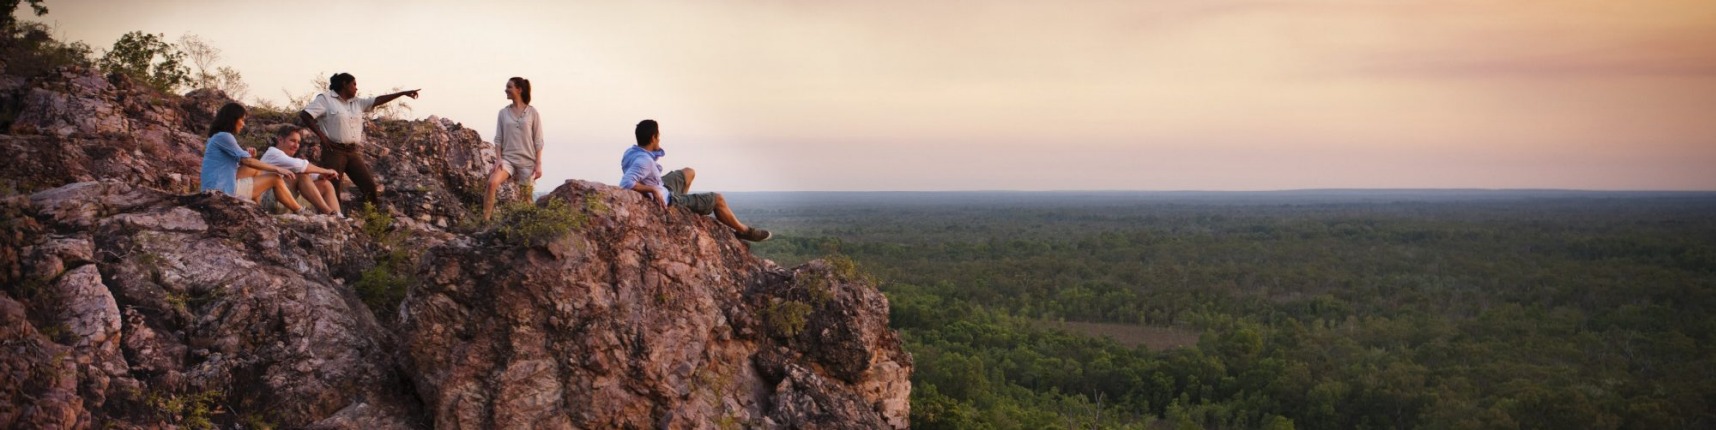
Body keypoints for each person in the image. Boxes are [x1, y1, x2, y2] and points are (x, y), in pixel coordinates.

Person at [619, 119, 771, 242]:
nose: (659, 139)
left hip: (662, 185)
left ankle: (685, 203)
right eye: (658, 136)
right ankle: (745, 231)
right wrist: (652, 190)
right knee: (718, 199)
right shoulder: (644, 160)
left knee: (689, 172)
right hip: (666, 198)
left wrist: (654, 186)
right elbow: (626, 184)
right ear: (653, 138)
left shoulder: (632, 151)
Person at [298, 72, 419, 211]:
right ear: (344, 84)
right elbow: (305, 115)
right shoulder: (326, 99)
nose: (356, 88)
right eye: (354, 84)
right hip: (334, 151)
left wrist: (402, 93)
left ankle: (373, 219)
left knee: (368, 185)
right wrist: (322, 137)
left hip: (352, 151)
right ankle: (334, 218)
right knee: (333, 186)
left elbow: (378, 100)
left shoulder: (357, 102)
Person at [201, 102, 294, 197]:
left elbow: (231, 165)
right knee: (275, 178)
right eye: (242, 120)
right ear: (233, 119)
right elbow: (247, 161)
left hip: (215, 187)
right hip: (220, 190)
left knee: (255, 170)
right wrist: (278, 169)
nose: (243, 124)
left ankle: (256, 208)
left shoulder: (217, 137)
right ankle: (299, 210)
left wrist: (249, 157)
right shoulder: (224, 136)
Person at [483, 77, 544, 221]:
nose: (506, 90)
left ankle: (528, 227)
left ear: (519, 89)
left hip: (527, 161)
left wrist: (538, 163)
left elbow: (538, 140)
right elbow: (498, 138)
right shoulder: (503, 113)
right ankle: (484, 221)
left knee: (527, 200)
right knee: (492, 183)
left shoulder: (532, 113)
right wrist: (498, 159)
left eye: (509, 87)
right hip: (508, 159)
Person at [257, 125, 343, 215]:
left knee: (325, 184)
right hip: (267, 201)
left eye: (298, 142)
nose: (296, 146)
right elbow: (301, 167)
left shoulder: (286, 158)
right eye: (292, 141)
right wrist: (324, 171)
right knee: (301, 176)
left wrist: (320, 176)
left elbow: (305, 173)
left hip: (285, 198)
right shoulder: (273, 153)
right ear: (280, 140)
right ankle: (329, 212)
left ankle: (338, 217)